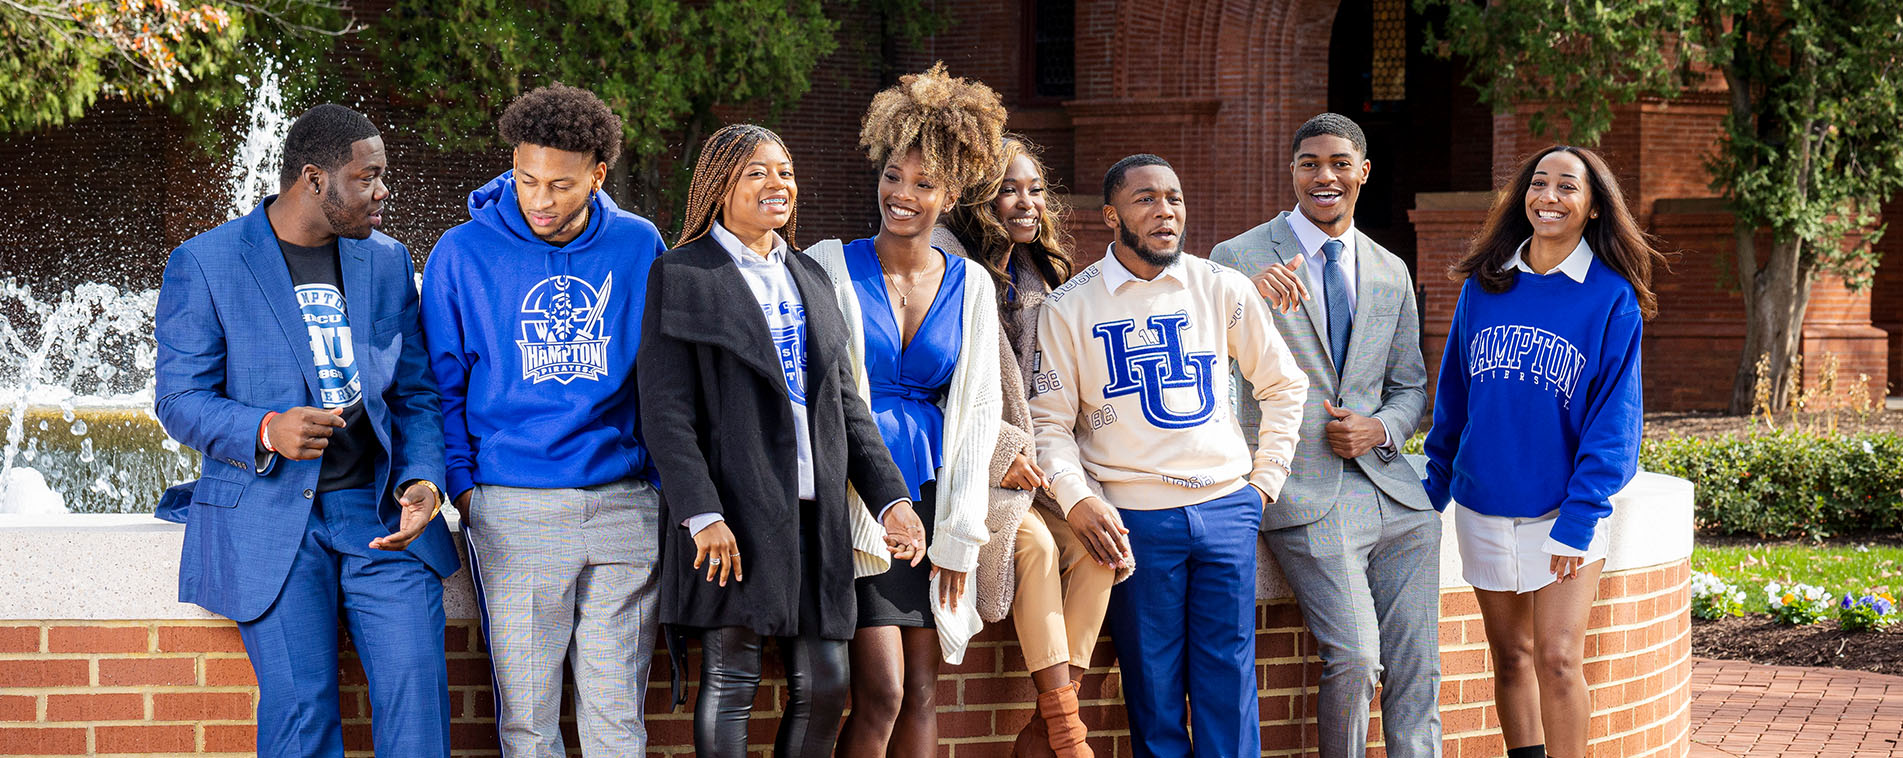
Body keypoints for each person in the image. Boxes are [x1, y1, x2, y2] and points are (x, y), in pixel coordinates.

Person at [153, 103, 457, 757]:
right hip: (271, 520)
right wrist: (265, 427)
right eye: (368, 176)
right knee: (300, 713)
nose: (382, 191)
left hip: (378, 514)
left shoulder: (386, 261)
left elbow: (416, 393)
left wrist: (425, 478)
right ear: (314, 179)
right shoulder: (205, 263)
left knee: (418, 697)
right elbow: (179, 399)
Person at [637, 123, 926, 758]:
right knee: (733, 680)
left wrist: (891, 500)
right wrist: (701, 513)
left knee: (827, 685)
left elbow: (846, 402)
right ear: (719, 188)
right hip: (733, 517)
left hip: (814, 514)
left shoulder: (809, 278)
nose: (779, 185)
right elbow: (664, 412)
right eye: (758, 173)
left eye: (787, 172)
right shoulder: (682, 274)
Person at [1029, 153, 1308, 758]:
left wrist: (1264, 482)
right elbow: (1048, 425)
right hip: (1134, 521)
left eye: (1174, 198)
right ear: (1111, 215)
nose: (1165, 212)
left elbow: (1285, 384)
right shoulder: (1069, 307)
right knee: (1152, 691)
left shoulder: (1221, 287)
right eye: (1146, 199)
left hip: (1228, 507)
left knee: (1228, 686)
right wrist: (1076, 500)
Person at [420, 84, 667, 757]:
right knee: (528, 724)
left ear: (597, 174)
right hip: (515, 506)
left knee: (617, 721)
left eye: (560, 185)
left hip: (623, 507)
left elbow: (661, 376)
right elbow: (440, 384)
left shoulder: (638, 245)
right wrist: (467, 490)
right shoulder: (461, 253)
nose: (540, 200)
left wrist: (657, 484)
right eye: (527, 180)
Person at [1209, 112, 1441, 758]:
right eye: (1308, 163)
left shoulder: (1391, 270)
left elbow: (1408, 388)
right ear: (1291, 172)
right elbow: (1198, 358)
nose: (1324, 176)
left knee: (1419, 669)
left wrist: (1381, 428)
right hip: (1304, 495)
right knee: (1358, 659)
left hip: (1396, 500)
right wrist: (1241, 301)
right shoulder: (1237, 259)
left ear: (1363, 173)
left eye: (1339, 162)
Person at [1423, 145, 1662, 758]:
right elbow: (1454, 394)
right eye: (1538, 183)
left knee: (1557, 660)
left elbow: (1616, 422)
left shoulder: (1610, 297)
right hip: (1481, 504)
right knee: (1510, 658)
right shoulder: (1487, 283)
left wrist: (1581, 518)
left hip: (1564, 512)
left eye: (1567, 187)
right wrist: (1433, 489)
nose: (1548, 196)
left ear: (1592, 209)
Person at [819, 62, 1006, 757]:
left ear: (950, 192)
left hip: (931, 503)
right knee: (883, 692)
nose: (902, 194)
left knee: (923, 694)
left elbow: (979, 409)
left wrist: (959, 530)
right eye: (893, 176)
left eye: (922, 183)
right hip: (855, 502)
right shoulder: (827, 266)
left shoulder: (973, 286)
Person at [939, 135, 1124, 758]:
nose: (1025, 203)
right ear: (976, 198)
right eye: (1007, 190)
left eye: (1035, 190)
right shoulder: (950, 267)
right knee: (1040, 548)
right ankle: (1068, 737)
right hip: (972, 469)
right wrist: (998, 455)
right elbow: (938, 384)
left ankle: (1047, 730)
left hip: (1042, 465)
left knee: (1102, 552)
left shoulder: (1045, 272)